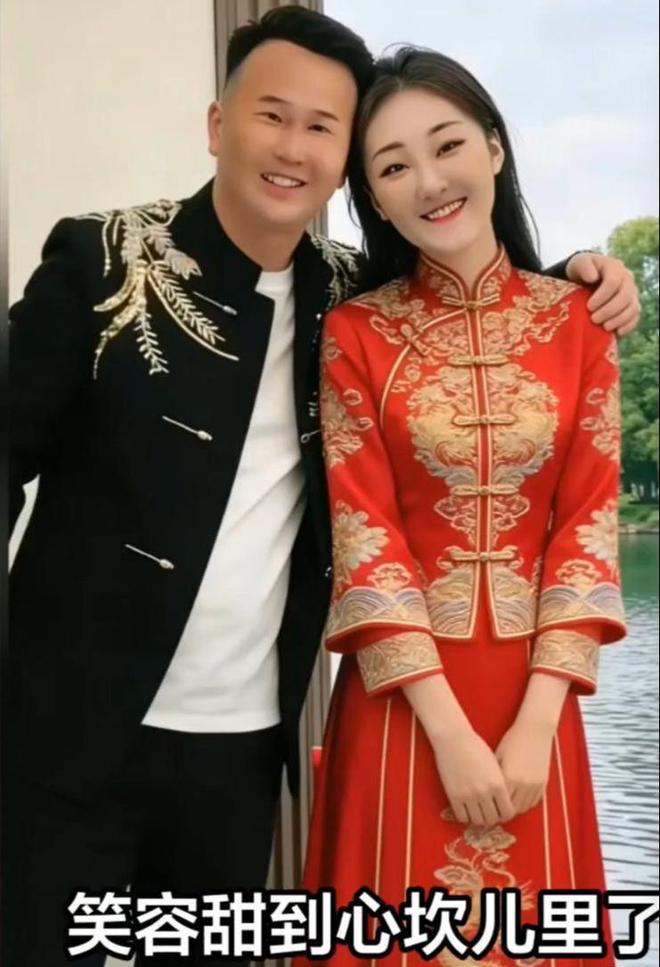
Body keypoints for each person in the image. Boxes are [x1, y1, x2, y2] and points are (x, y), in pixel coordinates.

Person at [4, 7, 636, 965]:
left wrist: (582, 278)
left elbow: (502, 363)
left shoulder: (348, 293)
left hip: (244, 745)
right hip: (71, 734)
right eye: (273, 115)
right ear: (219, 124)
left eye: (322, 128)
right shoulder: (112, 261)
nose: (293, 147)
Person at [296, 47, 627, 966]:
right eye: (394, 166)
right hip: (404, 702)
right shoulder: (356, 333)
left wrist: (537, 723)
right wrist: (448, 734)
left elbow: (588, 526)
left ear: (494, 148)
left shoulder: (581, 323)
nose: (430, 182)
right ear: (373, 196)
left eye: (447, 146)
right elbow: (365, 536)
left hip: (538, 695)